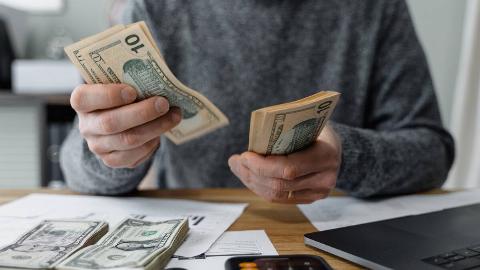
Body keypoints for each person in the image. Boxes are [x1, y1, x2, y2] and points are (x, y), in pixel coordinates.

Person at [60, 0, 455, 203]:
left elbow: (433, 152)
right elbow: (78, 166)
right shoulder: (152, 6)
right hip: (195, 241)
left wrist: (347, 158)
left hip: (337, 241)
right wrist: (110, 152)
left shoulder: (374, 7)